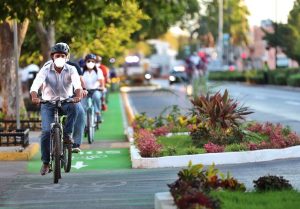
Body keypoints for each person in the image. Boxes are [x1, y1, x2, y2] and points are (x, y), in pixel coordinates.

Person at [30, 43, 83, 175]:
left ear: (66, 57)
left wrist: (77, 95)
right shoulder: (46, 69)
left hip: (66, 101)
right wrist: (34, 96)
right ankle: (46, 163)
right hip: (48, 103)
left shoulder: (71, 69)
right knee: (46, 132)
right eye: (57, 55)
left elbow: (77, 84)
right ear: (52, 57)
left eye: (63, 56)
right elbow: (36, 84)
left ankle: (67, 135)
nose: (60, 57)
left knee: (75, 107)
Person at [82, 53, 105, 122]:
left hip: (95, 90)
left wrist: (102, 87)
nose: (90, 63)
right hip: (84, 91)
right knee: (82, 105)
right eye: (88, 61)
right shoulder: (82, 70)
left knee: (97, 97)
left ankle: (98, 114)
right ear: (85, 62)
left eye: (92, 61)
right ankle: (84, 121)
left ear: (95, 62)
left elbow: (101, 80)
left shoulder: (98, 70)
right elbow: (79, 81)